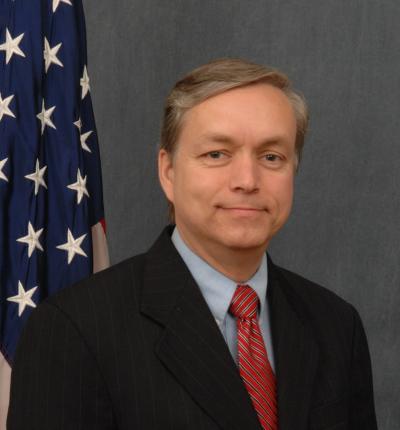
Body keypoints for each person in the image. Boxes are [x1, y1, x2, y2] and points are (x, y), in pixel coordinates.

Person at [7, 58, 377, 430]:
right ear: (168, 172)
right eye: (217, 154)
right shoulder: (75, 329)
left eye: (271, 156)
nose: (247, 180)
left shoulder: (336, 326)